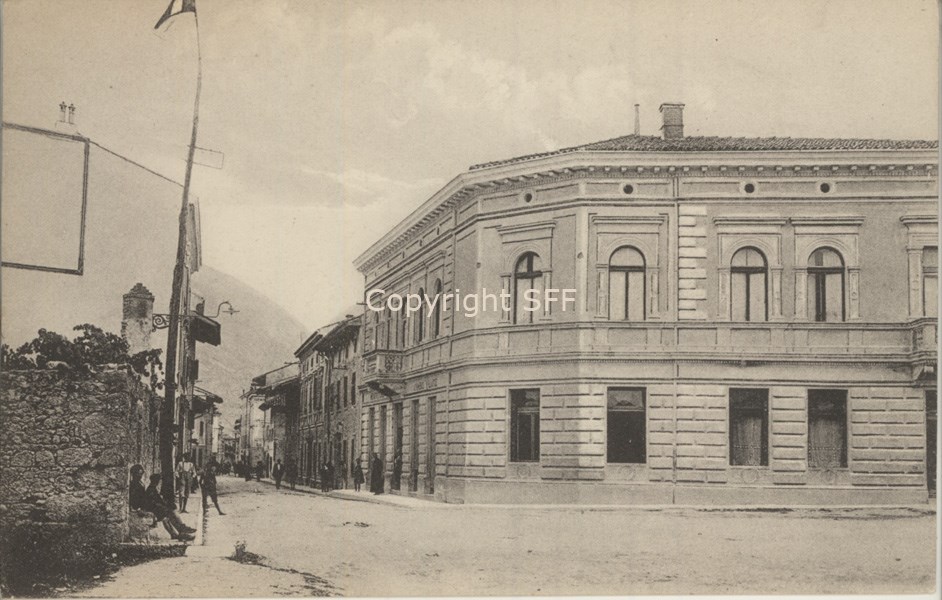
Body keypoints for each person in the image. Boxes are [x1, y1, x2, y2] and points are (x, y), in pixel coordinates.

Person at [129, 466, 195, 541]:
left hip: (146, 506)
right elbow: (136, 501)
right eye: (138, 474)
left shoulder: (140, 483)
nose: (140, 476)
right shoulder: (133, 485)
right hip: (143, 508)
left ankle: (178, 532)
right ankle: (180, 530)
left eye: (141, 474)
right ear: (133, 474)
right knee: (168, 513)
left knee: (167, 514)